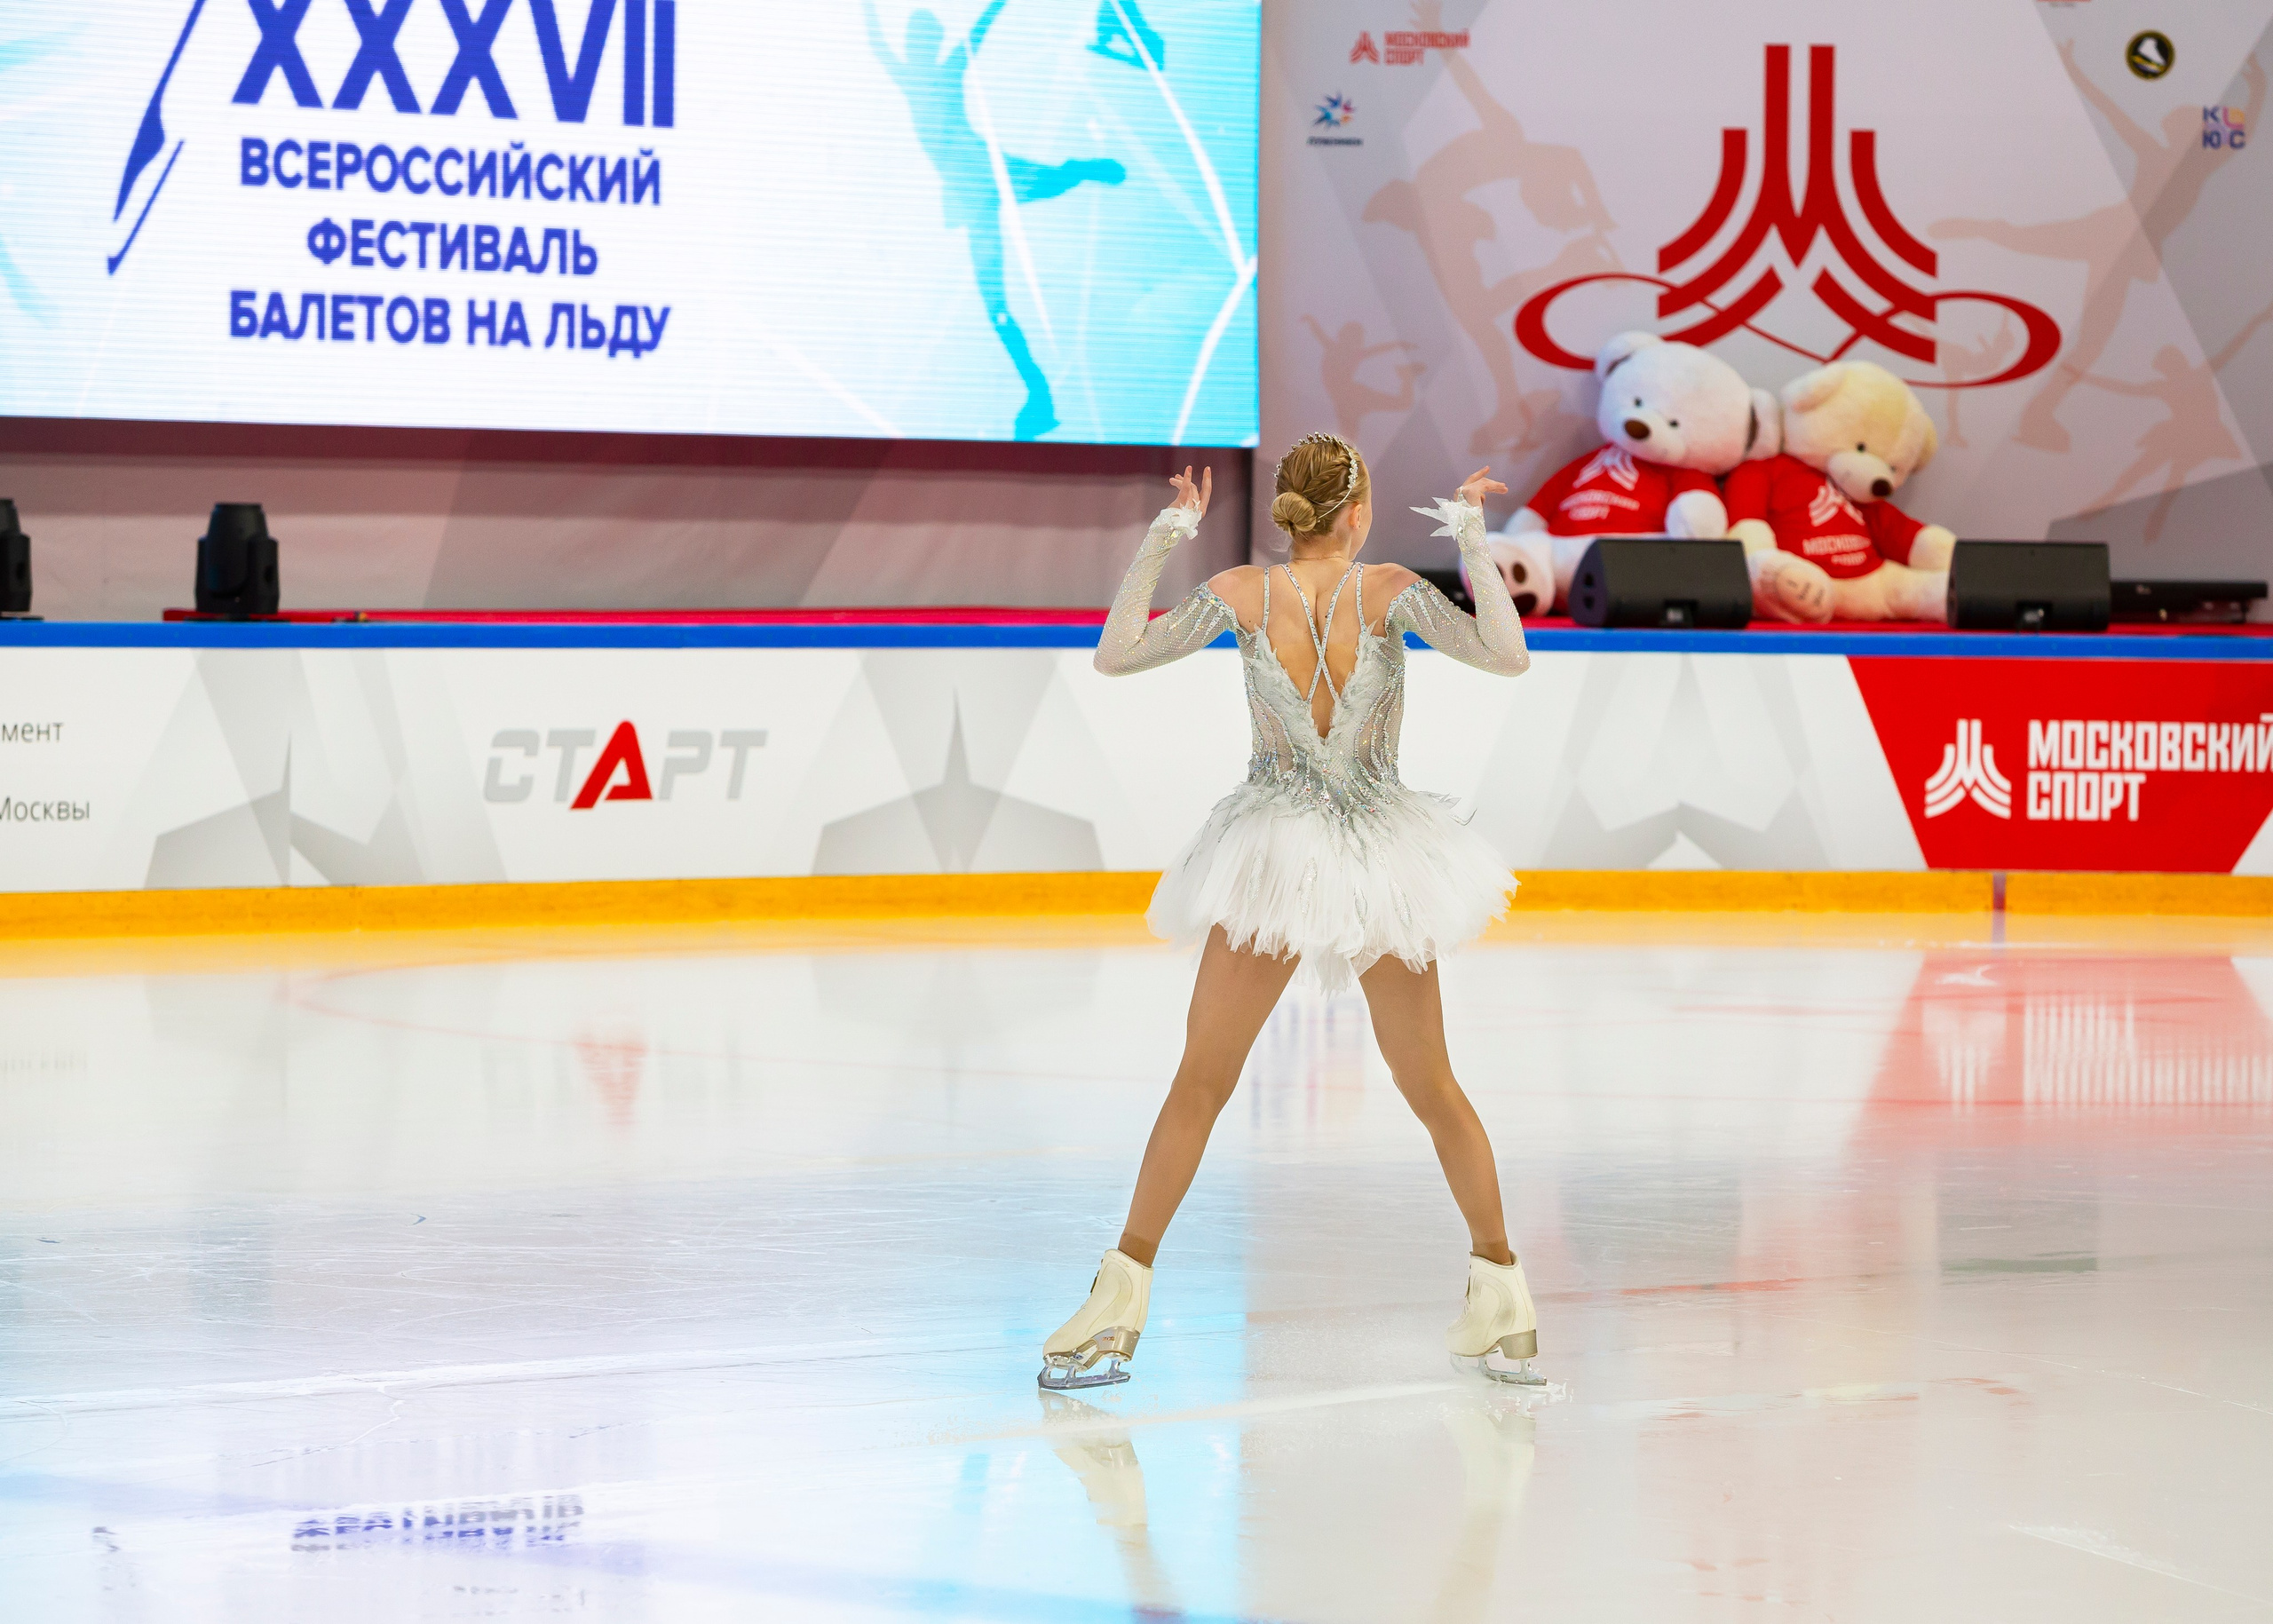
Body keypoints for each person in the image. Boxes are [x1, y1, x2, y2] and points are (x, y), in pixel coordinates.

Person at [1041, 432, 1542, 1390]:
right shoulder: (1393, 588)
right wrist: (1473, 535)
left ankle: (1118, 1298)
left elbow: (1115, 654)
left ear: (1291, 510)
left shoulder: (1236, 591)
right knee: (1432, 1087)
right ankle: (1503, 1293)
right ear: (1356, 511)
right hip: (1379, 856)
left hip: (1270, 855)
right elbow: (1507, 655)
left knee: (1200, 1083)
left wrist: (1166, 532)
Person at [864, 1, 1127, 440]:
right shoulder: (917, 75)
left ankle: (1081, 169)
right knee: (996, 306)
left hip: (978, 173)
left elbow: (974, 34)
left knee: (1045, 185)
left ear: (928, 44)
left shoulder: (937, 71)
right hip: (971, 192)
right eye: (914, 39)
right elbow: (882, 42)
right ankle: (1038, 393)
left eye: (921, 39)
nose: (915, 46)